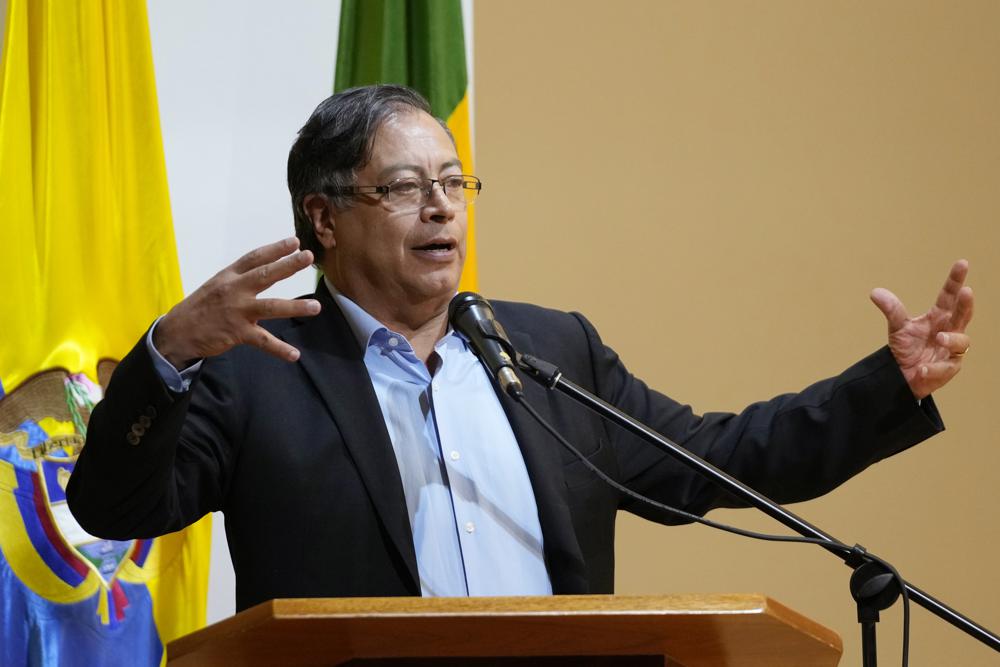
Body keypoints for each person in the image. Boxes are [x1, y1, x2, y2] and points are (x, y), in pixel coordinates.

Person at [66, 85, 974, 611]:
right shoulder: (258, 368)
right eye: (408, 186)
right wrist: (169, 353)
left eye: (456, 182)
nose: (443, 207)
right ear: (324, 216)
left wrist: (886, 383)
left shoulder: (545, 350)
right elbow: (111, 506)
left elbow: (720, 460)